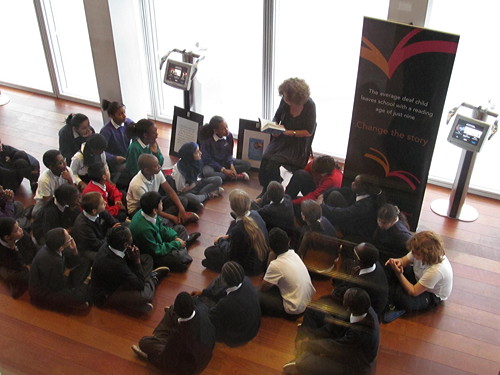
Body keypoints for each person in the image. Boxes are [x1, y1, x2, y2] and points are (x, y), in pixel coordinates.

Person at [284, 288, 379, 375]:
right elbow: (336, 325)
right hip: (345, 342)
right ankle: (304, 352)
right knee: (312, 310)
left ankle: (301, 359)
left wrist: (310, 344)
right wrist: (312, 336)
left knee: (304, 363)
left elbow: (335, 347)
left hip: (353, 364)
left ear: (347, 306)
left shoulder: (360, 334)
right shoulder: (362, 307)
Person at [90, 226, 169, 314]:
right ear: (125, 244)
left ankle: (134, 303)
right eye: (131, 237)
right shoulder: (115, 264)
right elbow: (140, 285)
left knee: (147, 259)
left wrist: (131, 256)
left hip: (118, 277)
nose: (132, 238)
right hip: (108, 293)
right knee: (145, 295)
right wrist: (137, 261)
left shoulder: (110, 244)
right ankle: (153, 278)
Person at [132, 291, 216, 374]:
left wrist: (151, 358)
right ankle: (159, 338)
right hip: (202, 353)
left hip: (187, 367)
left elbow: (167, 362)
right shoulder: (203, 312)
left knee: (143, 342)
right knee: (171, 309)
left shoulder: (178, 337)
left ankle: (158, 339)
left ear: (178, 312)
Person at [258, 78, 316, 193]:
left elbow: (309, 131)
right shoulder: (285, 101)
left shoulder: (310, 105)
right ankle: (267, 187)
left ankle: (274, 190)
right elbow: (277, 117)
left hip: (298, 142)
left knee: (274, 162)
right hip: (282, 137)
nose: (283, 98)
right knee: (265, 157)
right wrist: (274, 126)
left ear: (294, 98)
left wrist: (292, 132)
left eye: (285, 96)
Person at [384, 231, 453, 323]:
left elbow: (413, 291)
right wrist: (395, 262)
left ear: (426, 254)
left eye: (416, 253)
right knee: (389, 268)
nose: (413, 254)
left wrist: (398, 274)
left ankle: (393, 294)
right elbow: (403, 261)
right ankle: (394, 293)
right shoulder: (417, 252)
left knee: (406, 302)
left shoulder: (436, 271)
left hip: (430, 294)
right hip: (418, 277)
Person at [202, 189, 269, 275]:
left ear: (233, 207)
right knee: (233, 224)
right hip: (261, 259)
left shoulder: (238, 230)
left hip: (250, 268)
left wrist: (220, 240)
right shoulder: (255, 214)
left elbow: (232, 254)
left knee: (208, 252)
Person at [194, 261, 261, 347]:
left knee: (202, 309)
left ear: (226, 280)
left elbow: (210, 316)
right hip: (252, 327)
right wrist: (204, 292)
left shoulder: (227, 303)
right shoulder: (246, 281)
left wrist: (197, 306)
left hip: (239, 336)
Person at [129, 192, 194, 272]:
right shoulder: (144, 229)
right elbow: (156, 250)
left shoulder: (147, 213)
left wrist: (175, 237)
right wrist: (176, 244)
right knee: (180, 258)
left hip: (159, 240)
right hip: (154, 253)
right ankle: (184, 246)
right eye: (160, 203)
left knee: (181, 229)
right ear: (155, 210)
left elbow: (162, 228)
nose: (162, 203)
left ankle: (183, 247)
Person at [29, 228, 91, 312]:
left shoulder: (51, 247)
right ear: (61, 247)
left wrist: (74, 250)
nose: (71, 238)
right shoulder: (54, 261)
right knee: (79, 297)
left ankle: (76, 287)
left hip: (53, 279)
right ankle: (82, 285)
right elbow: (56, 286)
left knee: (83, 261)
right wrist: (66, 273)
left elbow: (75, 260)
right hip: (43, 293)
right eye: (68, 237)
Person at [127, 154, 198, 225]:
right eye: (156, 166)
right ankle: (178, 219)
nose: (159, 167)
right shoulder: (138, 186)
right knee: (156, 222)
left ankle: (177, 219)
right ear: (147, 170)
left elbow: (170, 191)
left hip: (155, 204)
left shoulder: (157, 172)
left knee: (183, 201)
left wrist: (181, 209)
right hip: (140, 210)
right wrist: (172, 217)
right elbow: (149, 210)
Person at [259, 228, 315, 318]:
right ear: (288, 242)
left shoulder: (275, 265)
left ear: (270, 248)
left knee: (256, 294)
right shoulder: (294, 255)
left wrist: (270, 257)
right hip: (306, 301)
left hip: (294, 309)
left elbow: (263, 288)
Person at [320, 174, 384, 242]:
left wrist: (321, 206)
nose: (352, 183)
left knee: (332, 210)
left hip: (356, 229)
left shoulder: (366, 205)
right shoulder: (358, 191)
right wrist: (322, 195)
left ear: (363, 189)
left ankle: (332, 231)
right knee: (334, 194)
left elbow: (343, 213)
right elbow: (339, 189)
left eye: (356, 184)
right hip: (350, 217)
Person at [331, 242, 389, 317]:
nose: (353, 250)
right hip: (375, 297)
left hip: (369, 311)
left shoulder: (360, 282)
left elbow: (338, 293)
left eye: (355, 252)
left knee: (334, 295)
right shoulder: (375, 263)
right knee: (347, 263)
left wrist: (351, 277)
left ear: (358, 261)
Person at [171, 142, 224, 211]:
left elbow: (198, 177)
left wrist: (196, 183)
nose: (200, 153)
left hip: (197, 183)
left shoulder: (196, 162)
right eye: (196, 152)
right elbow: (181, 190)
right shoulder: (180, 170)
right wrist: (195, 184)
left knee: (218, 180)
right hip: (188, 191)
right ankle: (208, 195)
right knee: (190, 198)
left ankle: (203, 195)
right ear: (189, 156)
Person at [199, 115, 250, 182]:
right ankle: (237, 176)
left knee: (246, 165)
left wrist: (231, 165)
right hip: (211, 164)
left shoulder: (229, 136)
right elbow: (207, 159)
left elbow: (229, 154)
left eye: (227, 126)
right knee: (208, 173)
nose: (227, 130)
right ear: (216, 131)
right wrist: (223, 170)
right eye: (223, 129)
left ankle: (228, 175)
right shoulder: (207, 139)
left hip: (224, 162)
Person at [71, 192, 119, 262]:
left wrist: (115, 230)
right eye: (102, 203)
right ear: (94, 211)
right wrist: (111, 233)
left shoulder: (101, 211)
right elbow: (97, 245)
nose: (105, 203)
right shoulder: (83, 225)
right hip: (89, 250)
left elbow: (115, 223)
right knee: (109, 257)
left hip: (103, 239)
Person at [0, 217, 37, 298]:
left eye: (19, 226)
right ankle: (16, 287)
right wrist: (13, 248)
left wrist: (32, 263)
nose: (21, 230)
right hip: (11, 266)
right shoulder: (2, 251)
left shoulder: (22, 234)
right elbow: (16, 266)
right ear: (7, 237)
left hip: (24, 261)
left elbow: (33, 247)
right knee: (21, 276)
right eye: (16, 230)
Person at [33, 149, 76, 218]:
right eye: (60, 163)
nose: (65, 163)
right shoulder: (44, 180)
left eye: (64, 160)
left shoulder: (68, 171)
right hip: (48, 202)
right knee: (37, 213)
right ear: (51, 167)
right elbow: (47, 201)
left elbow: (74, 191)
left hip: (64, 199)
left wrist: (70, 180)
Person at [99, 99, 133, 184]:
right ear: (112, 116)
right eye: (120, 114)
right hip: (114, 163)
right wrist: (114, 158)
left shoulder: (128, 122)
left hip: (126, 156)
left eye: (124, 113)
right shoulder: (106, 131)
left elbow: (137, 133)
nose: (124, 116)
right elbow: (100, 151)